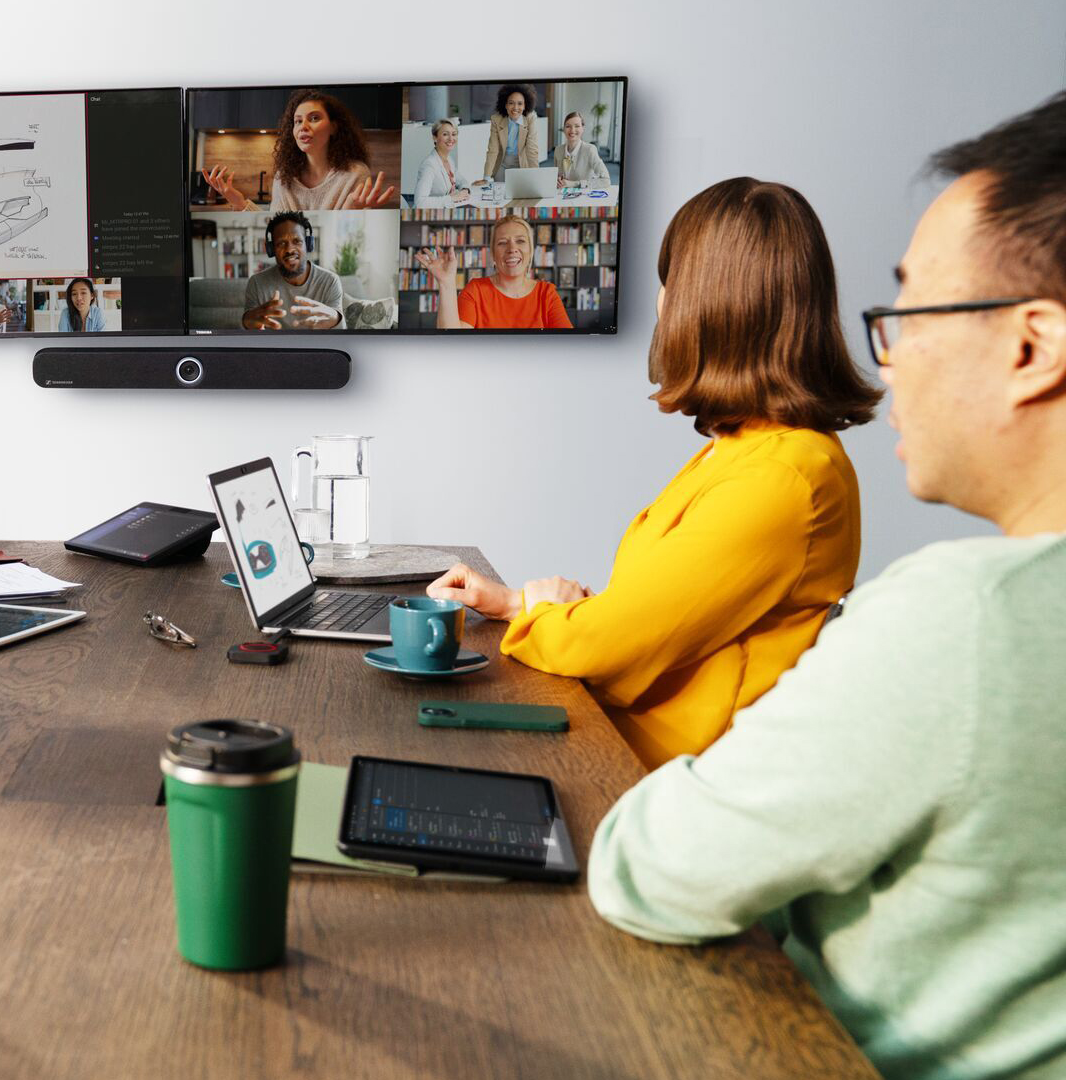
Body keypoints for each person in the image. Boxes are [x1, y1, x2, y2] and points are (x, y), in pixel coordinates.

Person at [589, 95, 1066, 1078]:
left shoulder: (966, 619)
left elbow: (650, 867)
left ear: (1032, 348)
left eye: (910, 314)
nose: (889, 364)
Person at [429, 178, 881, 766]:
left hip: (652, 775)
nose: (662, 302)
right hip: (619, 744)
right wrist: (516, 603)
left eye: (670, 281)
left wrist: (546, 614)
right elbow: (659, 614)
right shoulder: (747, 448)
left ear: (710, 301)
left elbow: (609, 647)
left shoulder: (782, 477)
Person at [200, 89, 397, 212]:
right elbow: (276, 229)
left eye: (314, 118)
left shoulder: (354, 174)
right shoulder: (283, 178)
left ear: (334, 127)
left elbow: (350, 239)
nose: (303, 126)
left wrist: (351, 209)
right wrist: (240, 203)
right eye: (298, 121)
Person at [415, 214, 572, 329]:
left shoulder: (547, 293)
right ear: (493, 255)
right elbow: (452, 343)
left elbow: (568, 347)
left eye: (520, 241)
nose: (512, 249)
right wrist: (446, 283)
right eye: (502, 243)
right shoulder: (475, 290)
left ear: (530, 250)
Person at [240, 211, 345, 330]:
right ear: (271, 249)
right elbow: (249, 327)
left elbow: (341, 334)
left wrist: (336, 320)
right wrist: (247, 323)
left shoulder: (330, 282)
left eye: (297, 241)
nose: (289, 249)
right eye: (281, 243)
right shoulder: (257, 283)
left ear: (308, 244)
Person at [483, 84, 542, 183]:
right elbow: (493, 149)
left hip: (521, 163)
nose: (515, 107)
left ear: (525, 106)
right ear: (506, 105)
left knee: (522, 190)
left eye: (520, 103)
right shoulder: (496, 119)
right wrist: (486, 176)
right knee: (499, 190)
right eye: (511, 103)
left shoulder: (530, 118)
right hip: (502, 163)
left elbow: (532, 149)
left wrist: (536, 175)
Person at [411, 119, 471, 205]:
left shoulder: (449, 160)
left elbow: (462, 181)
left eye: (454, 134)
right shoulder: (429, 165)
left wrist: (465, 190)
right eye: (445, 134)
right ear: (435, 138)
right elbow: (420, 202)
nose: (451, 139)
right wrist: (451, 198)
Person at [554, 112, 611, 188]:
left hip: (583, 193)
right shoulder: (558, 150)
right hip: (561, 193)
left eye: (577, 126)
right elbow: (556, 177)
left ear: (582, 128)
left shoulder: (590, 150)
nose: (572, 130)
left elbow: (606, 181)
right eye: (568, 126)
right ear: (564, 129)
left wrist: (574, 184)